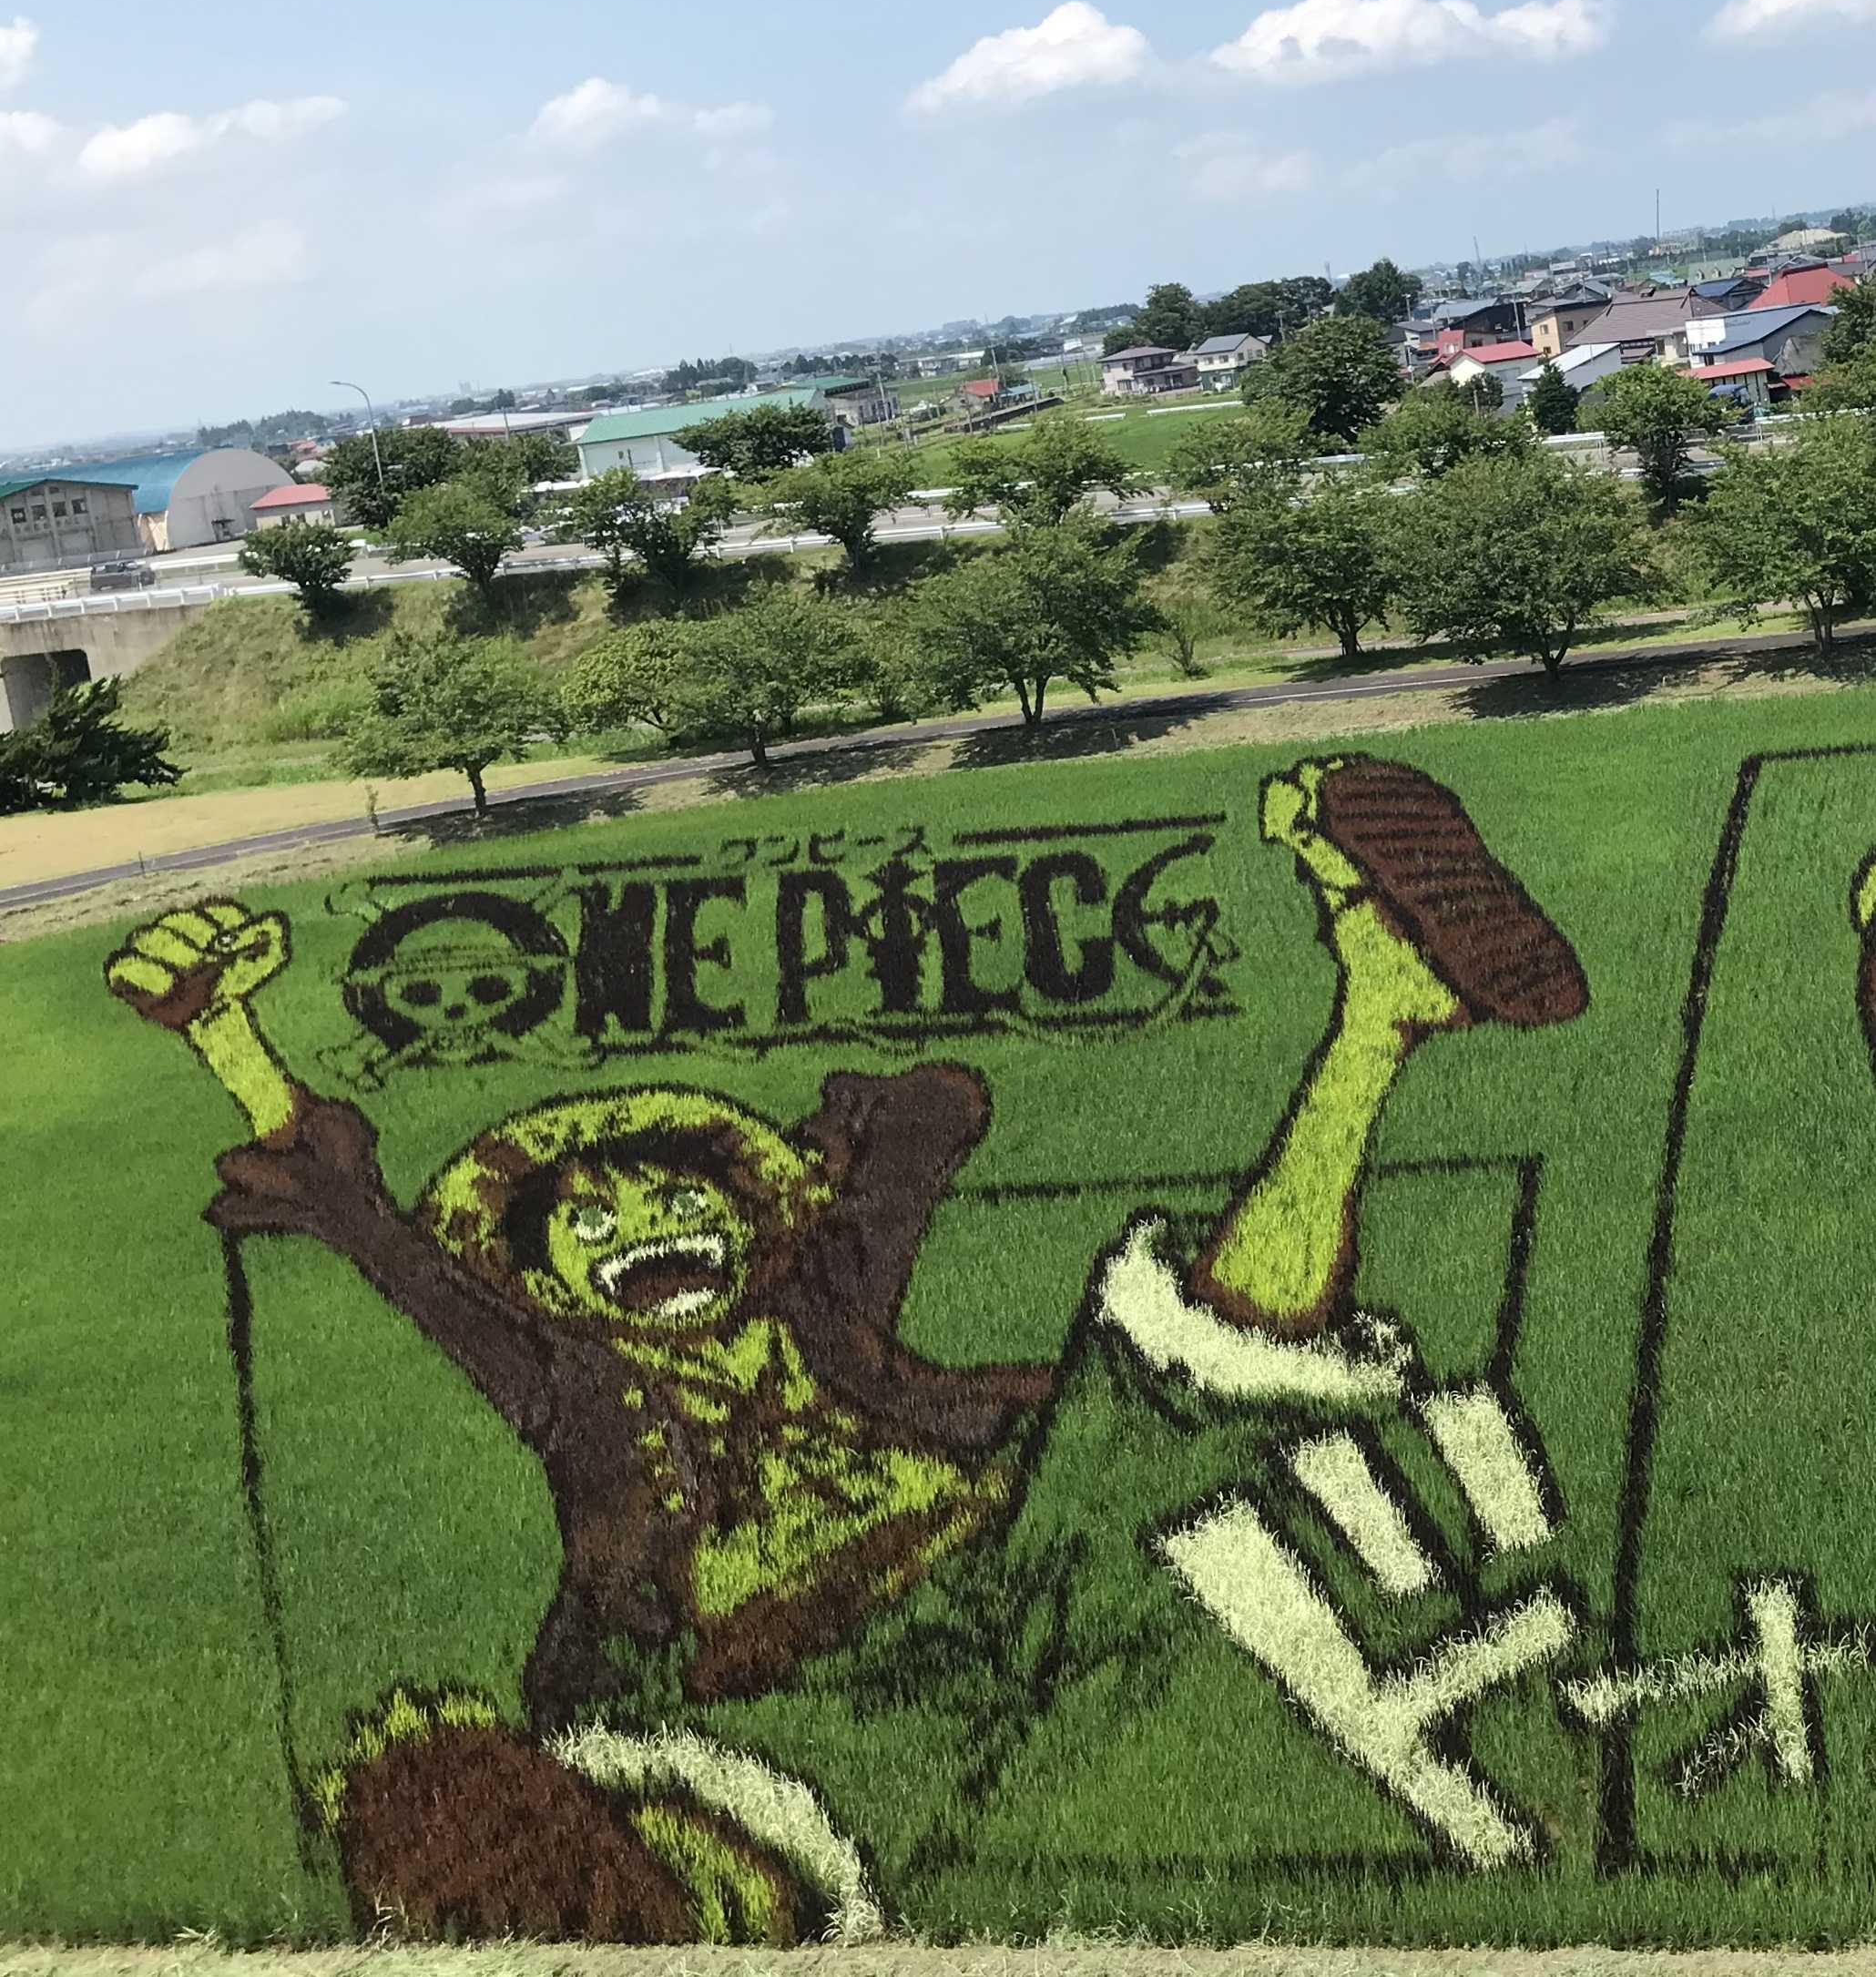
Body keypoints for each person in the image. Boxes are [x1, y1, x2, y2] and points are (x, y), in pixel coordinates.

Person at [107, 752, 1586, 1941]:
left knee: (1171, 1373)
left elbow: (929, 1116)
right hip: (777, 1661)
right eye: (591, 1219)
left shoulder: (821, 1300)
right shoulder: (571, 1381)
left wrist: (853, 1162)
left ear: (745, 1210)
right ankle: (632, 1900)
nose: (642, 1227)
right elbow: (386, 1242)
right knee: (793, 1806)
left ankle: (1380, 1010)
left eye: (672, 1192)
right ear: (542, 1278)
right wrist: (231, 1038)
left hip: (1001, 1548)